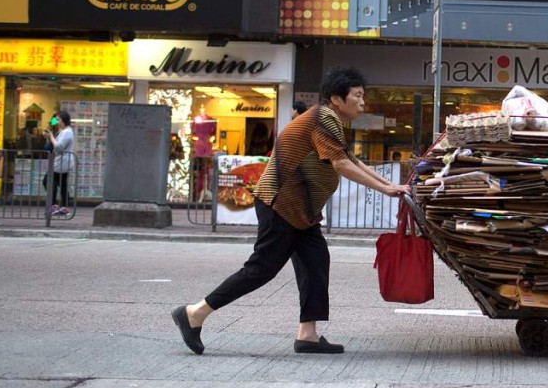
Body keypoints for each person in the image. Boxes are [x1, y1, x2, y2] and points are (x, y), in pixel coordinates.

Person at [171, 67, 410, 356]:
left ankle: (307, 334)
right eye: (357, 96)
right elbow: (341, 165)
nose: (363, 102)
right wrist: (386, 190)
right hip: (281, 204)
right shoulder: (323, 118)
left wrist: (391, 185)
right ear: (337, 98)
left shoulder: (327, 119)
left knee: (315, 262)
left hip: (301, 212)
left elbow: (350, 159)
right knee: (262, 268)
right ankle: (195, 313)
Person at [43, 111, 75, 216]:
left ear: (64, 120)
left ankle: (54, 205)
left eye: (58, 120)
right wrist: (51, 129)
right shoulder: (63, 131)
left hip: (60, 163)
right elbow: (52, 122)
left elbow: (59, 148)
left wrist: (51, 137)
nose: (56, 121)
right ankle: (63, 207)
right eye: (56, 119)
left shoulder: (67, 132)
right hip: (61, 163)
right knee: (62, 184)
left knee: (49, 181)